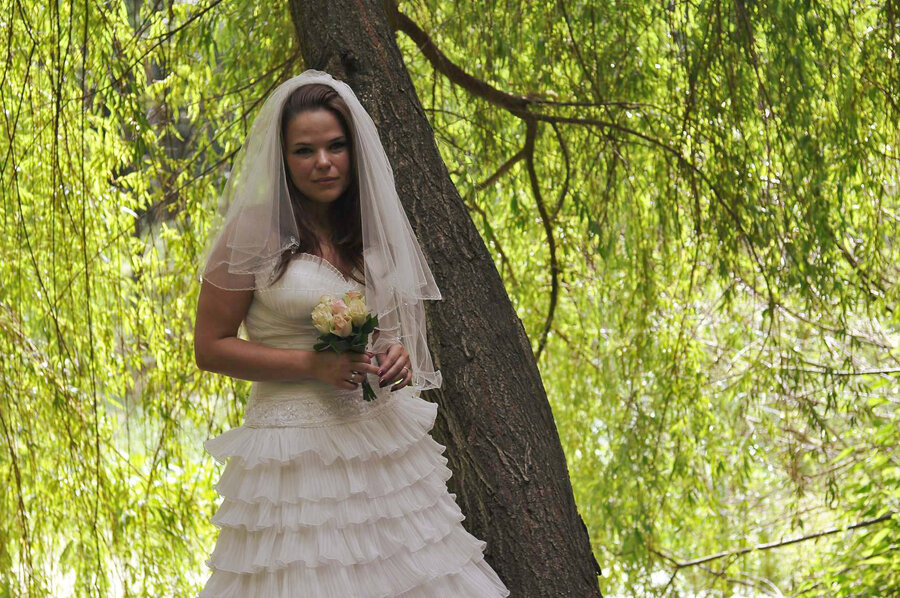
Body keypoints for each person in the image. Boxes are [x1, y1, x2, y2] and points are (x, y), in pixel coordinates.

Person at [193, 70, 510, 597]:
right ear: (282, 158)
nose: (323, 161)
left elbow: (386, 330)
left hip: (379, 442)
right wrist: (311, 365)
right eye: (304, 150)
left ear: (354, 149)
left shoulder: (369, 229)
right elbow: (210, 348)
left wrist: (396, 353)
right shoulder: (253, 232)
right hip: (296, 454)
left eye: (335, 146)